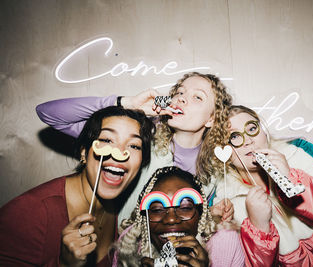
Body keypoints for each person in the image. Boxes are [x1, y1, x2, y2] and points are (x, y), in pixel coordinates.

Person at [35, 72, 234, 222]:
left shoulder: (216, 167)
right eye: (180, 92)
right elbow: (50, 114)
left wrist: (210, 215)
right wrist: (126, 103)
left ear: (211, 118)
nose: (181, 98)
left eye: (197, 97)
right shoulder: (140, 137)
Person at [0, 106, 155, 266]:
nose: (120, 152)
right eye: (107, 140)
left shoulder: (121, 210)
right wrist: (64, 264)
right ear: (84, 152)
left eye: (134, 145)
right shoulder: (28, 212)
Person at [213, 105, 313, 267]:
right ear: (224, 153)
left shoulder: (300, 153)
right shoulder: (225, 203)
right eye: (234, 137)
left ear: (264, 132)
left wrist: (292, 181)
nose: (248, 140)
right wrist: (259, 227)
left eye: (252, 128)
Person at [115, 166, 244, 267]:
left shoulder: (224, 242)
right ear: (145, 217)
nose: (171, 219)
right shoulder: (130, 244)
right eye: (157, 209)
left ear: (201, 214)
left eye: (185, 208)